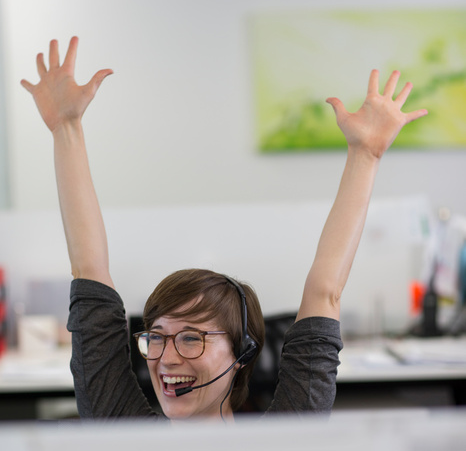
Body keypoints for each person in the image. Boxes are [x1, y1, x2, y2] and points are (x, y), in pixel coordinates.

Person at [21, 37, 428, 422]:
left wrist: (365, 155)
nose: (166, 359)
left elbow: (326, 290)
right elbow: (88, 269)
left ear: (242, 353)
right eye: (157, 337)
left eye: (192, 338)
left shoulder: (286, 438)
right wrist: (65, 129)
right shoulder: (118, 421)